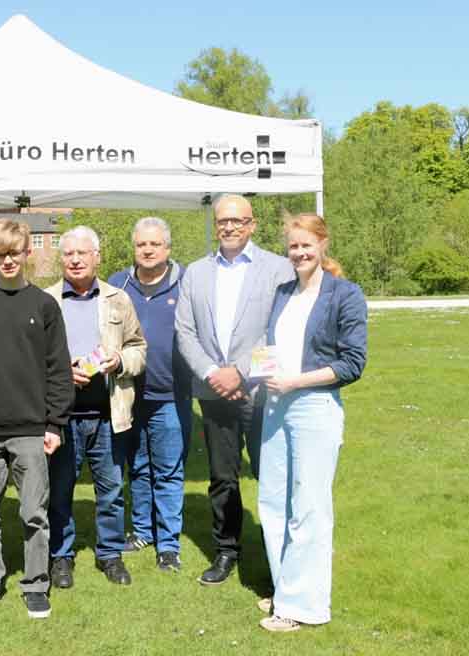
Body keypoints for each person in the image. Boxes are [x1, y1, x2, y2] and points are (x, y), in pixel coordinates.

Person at [0, 218, 73, 620]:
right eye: (1, 254)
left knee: (33, 513)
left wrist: (55, 424)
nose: (8, 261)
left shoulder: (44, 305)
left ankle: (36, 585)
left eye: (15, 253)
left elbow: (58, 369)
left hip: (31, 431)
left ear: (27, 254)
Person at [175, 194, 294, 586]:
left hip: (262, 391)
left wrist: (240, 374)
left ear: (252, 225)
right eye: (222, 220)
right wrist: (213, 373)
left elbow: (280, 330)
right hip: (213, 393)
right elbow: (185, 332)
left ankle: (280, 553)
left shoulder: (278, 269)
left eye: (237, 221)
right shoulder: (195, 272)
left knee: (271, 473)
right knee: (222, 477)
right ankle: (226, 551)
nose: (228, 227)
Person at [255, 214, 367, 632]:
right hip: (275, 404)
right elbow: (273, 346)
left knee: (309, 506)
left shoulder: (345, 295)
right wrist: (262, 373)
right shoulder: (284, 292)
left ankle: (303, 608)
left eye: (306, 245)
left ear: (323, 245)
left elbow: (352, 363)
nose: (299, 253)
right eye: (293, 247)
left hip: (314, 406)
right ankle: (287, 589)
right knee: (273, 501)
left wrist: (295, 381)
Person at [43, 226, 146, 589]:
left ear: (97, 257)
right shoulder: (46, 300)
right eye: (68, 253)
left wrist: (119, 360)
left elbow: (139, 348)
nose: (74, 259)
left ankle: (110, 555)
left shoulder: (118, 298)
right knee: (59, 491)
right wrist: (58, 373)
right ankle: (61, 556)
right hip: (61, 417)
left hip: (108, 413)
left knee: (112, 491)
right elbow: (30, 359)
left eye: (82, 253)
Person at [108, 217, 193, 572]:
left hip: (171, 394)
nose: (147, 250)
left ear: (167, 249)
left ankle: (169, 544)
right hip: (128, 393)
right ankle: (143, 530)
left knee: (168, 470)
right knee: (138, 467)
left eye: (154, 244)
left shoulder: (186, 283)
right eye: (142, 244)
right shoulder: (117, 284)